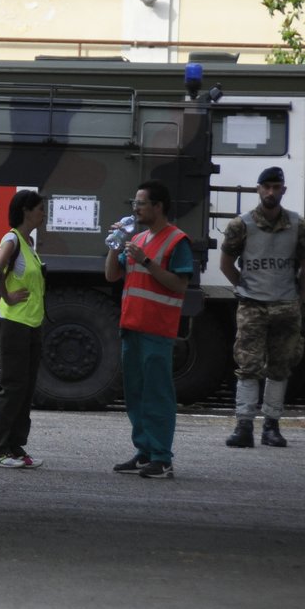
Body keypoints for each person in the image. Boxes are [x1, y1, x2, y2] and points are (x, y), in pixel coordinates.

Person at [105, 179, 195, 479]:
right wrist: (114, 243)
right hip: (132, 327)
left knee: (157, 394)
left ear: (158, 207)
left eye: (141, 203)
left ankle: (162, 457)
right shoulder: (138, 239)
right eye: (135, 203)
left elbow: (179, 285)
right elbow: (111, 275)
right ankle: (145, 452)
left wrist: (145, 262)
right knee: (136, 394)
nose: (135, 208)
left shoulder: (176, 240)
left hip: (157, 330)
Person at [218, 166, 305, 448]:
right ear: (258, 189)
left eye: (276, 187)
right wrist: (245, 288)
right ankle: (243, 425)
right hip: (253, 305)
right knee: (248, 365)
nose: (271, 192)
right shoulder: (241, 225)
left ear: (283, 190)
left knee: (281, 366)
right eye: (266, 187)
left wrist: (300, 296)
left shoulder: (297, 225)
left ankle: (271, 425)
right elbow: (226, 263)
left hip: (285, 305)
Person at [0, 189, 48, 468]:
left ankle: (15, 446)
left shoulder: (28, 242)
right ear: (26, 210)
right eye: (40, 209)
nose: (43, 214)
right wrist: (6, 296)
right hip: (13, 323)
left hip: (31, 323)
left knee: (26, 388)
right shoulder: (12, 238)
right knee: (13, 387)